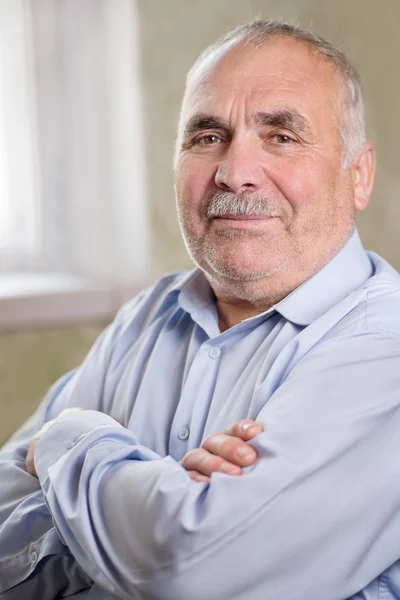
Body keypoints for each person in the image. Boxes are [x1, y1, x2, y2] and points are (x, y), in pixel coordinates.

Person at [1, 18, 400, 600]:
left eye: (281, 137)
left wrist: (70, 441)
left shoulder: (383, 351)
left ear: (358, 175)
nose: (234, 173)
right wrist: (147, 509)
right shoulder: (149, 314)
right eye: (208, 136)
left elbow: (190, 574)